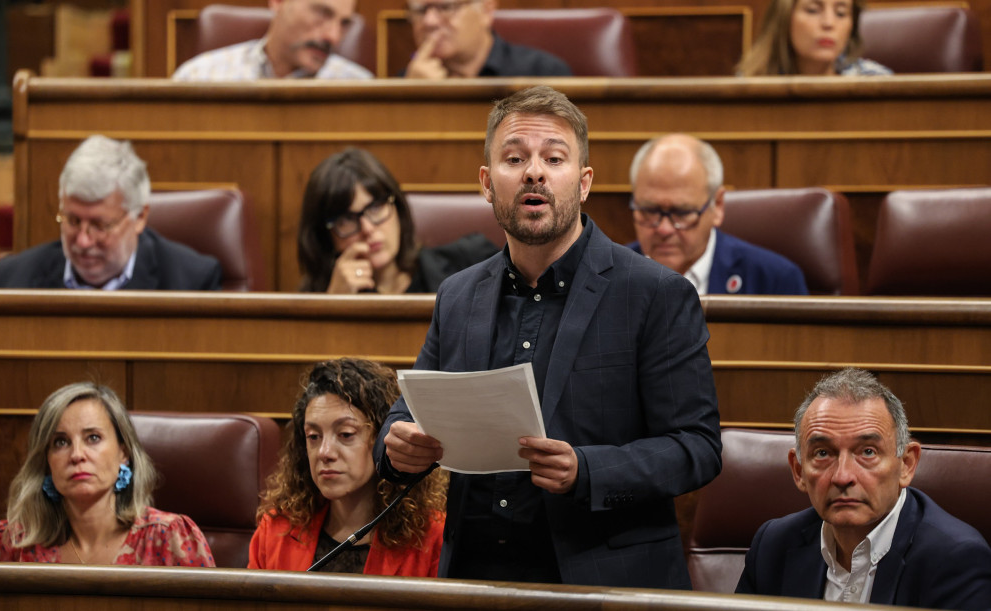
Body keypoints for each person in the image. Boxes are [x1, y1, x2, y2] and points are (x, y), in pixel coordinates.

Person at [374, 85, 722, 587]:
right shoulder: (458, 295)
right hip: (474, 580)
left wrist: (588, 471)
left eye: (554, 158)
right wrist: (396, 448)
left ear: (582, 184)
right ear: (487, 183)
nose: (534, 171)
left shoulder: (655, 294)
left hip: (602, 579)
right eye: (514, 158)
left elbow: (697, 448)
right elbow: (408, 416)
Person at [736, 368, 991, 609]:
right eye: (823, 453)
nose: (843, 476)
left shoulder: (956, 560)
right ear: (799, 471)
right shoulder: (773, 546)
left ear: (906, 464)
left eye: (867, 452)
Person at [0, 382, 214, 566]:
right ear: (45, 461)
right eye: (60, 442)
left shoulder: (170, 538)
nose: (77, 455)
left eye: (93, 438)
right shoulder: (11, 544)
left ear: (123, 453)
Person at [248, 358, 446, 575]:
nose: (324, 452)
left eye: (345, 434)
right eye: (313, 436)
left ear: (382, 438)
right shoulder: (276, 530)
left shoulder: (432, 536)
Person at [0, 136, 222, 290]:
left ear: (139, 217)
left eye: (100, 225)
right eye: (73, 220)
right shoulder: (12, 281)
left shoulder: (192, 282)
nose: (83, 240)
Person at [627, 134, 808, 295]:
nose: (664, 229)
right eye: (649, 211)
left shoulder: (773, 280)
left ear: (718, 206)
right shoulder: (604, 275)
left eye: (682, 213)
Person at [298, 147, 497, 293]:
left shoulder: (470, 261)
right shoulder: (315, 300)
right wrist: (332, 307)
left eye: (375, 207)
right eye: (346, 220)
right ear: (325, 237)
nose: (367, 228)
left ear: (397, 209)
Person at [172, 0, 371, 81]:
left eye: (344, 23)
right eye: (321, 13)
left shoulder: (360, 89)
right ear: (278, 2)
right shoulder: (198, 78)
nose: (333, 36)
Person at [403, 0, 571, 79]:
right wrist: (413, 95)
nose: (429, 21)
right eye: (419, 10)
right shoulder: (408, 79)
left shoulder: (543, 74)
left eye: (446, 8)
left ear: (486, 11)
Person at [737, 0, 891, 76]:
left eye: (841, 13)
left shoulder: (875, 82)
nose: (829, 23)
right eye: (812, 10)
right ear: (783, 19)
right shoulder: (749, 86)